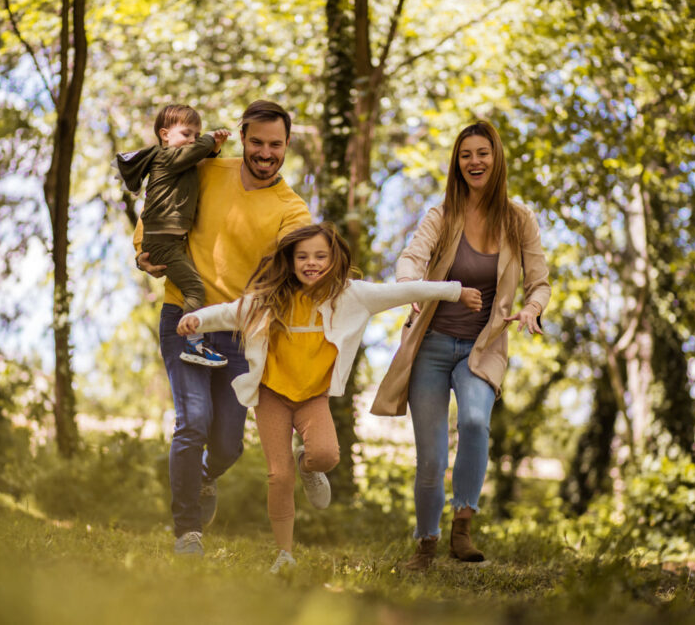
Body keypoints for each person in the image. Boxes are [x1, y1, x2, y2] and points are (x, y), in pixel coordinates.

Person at [177, 222, 482, 573]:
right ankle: (285, 554)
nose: (311, 263)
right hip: (272, 396)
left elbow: (405, 290)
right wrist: (196, 320)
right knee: (279, 475)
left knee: (326, 455)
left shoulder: (352, 296)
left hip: (312, 398)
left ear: (334, 258)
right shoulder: (268, 299)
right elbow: (229, 312)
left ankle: (308, 464)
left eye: (320, 256)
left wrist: (455, 292)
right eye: (303, 256)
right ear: (290, 261)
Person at [371, 120, 551, 570]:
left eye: (482, 153)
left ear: (496, 159)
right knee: (430, 456)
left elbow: (540, 282)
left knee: (474, 423)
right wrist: (411, 287)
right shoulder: (443, 215)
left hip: (482, 348)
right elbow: (413, 255)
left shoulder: (518, 219)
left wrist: (531, 309)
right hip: (430, 345)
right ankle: (426, 544)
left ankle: (462, 527)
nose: (474, 161)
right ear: (458, 162)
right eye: (466, 154)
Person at [135, 100, 311, 557]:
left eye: (275, 144)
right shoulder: (209, 169)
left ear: (287, 145)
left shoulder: (293, 211)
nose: (265, 152)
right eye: (256, 142)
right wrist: (144, 250)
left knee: (229, 444)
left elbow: (309, 266)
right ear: (244, 137)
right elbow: (158, 201)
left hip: (237, 332)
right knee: (192, 421)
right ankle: (187, 532)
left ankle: (206, 476)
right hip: (184, 316)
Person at [115, 104, 232, 367]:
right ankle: (194, 345)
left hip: (170, 242)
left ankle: (195, 343)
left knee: (192, 283)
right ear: (165, 134)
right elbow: (196, 152)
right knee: (194, 288)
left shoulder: (183, 162)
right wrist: (209, 139)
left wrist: (214, 148)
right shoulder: (165, 157)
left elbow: (204, 162)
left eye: (196, 135)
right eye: (187, 134)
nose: (192, 140)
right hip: (161, 243)